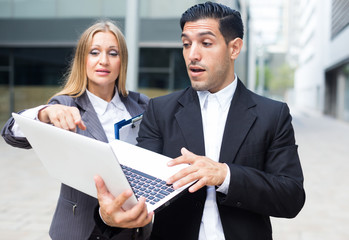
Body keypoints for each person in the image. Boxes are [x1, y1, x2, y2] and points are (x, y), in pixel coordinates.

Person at [95, 2, 306, 240]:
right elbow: (134, 188)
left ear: (234, 48)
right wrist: (108, 215)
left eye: (206, 43)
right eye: (186, 44)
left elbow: (291, 197)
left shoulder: (272, 114)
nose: (192, 55)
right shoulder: (160, 110)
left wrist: (225, 175)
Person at [1, 20, 153, 240]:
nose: (103, 61)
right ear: (83, 60)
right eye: (94, 52)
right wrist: (44, 113)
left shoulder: (141, 105)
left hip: (133, 226)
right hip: (82, 227)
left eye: (113, 53)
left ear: (123, 61)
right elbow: (10, 134)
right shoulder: (65, 105)